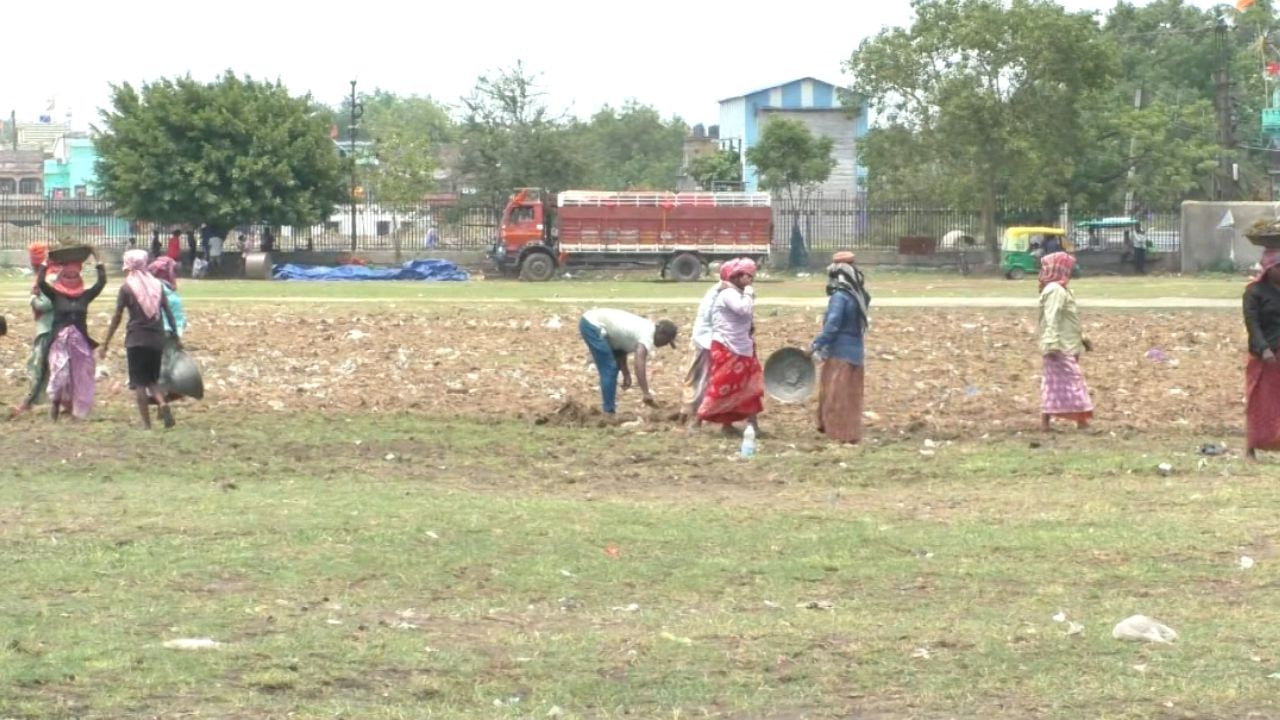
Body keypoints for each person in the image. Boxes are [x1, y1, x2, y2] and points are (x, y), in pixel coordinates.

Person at [100, 250, 179, 430]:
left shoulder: (127, 288)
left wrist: (106, 343)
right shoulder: (157, 285)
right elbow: (168, 312)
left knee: (139, 383)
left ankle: (146, 425)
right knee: (152, 379)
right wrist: (176, 335)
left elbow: (117, 317)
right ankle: (163, 404)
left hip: (136, 339)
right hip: (156, 338)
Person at [37, 250, 108, 421]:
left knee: (81, 375)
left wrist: (98, 260)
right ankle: (54, 408)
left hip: (80, 343)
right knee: (59, 375)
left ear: (80, 277)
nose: (71, 279)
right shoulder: (55, 294)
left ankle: (77, 411)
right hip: (59, 342)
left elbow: (101, 282)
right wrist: (46, 262)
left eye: (74, 275)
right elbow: (41, 282)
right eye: (67, 276)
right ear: (61, 276)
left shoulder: (86, 295)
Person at [697, 258, 764, 435]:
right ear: (736, 277)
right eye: (748, 276)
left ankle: (751, 425)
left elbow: (746, 318)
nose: (750, 280)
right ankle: (699, 419)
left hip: (743, 346)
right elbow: (744, 310)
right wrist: (749, 292)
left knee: (751, 386)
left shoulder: (738, 293)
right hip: (727, 346)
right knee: (721, 385)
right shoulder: (728, 294)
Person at [811, 251, 870, 444]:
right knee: (851, 396)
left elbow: (833, 325)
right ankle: (849, 432)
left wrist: (816, 344)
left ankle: (838, 433)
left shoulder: (840, 297)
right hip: (856, 351)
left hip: (839, 353)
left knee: (837, 396)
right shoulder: (858, 295)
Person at [578, 308, 678, 417]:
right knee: (609, 368)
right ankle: (608, 412)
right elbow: (639, 364)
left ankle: (609, 409)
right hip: (593, 324)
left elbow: (620, 349)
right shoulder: (647, 335)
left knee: (612, 367)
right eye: (666, 341)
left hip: (597, 323)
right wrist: (646, 393)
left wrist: (626, 373)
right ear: (661, 334)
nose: (665, 345)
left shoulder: (643, 330)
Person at [1038, 251, 1094, 431]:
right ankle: (1082, 422)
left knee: (1054, 384)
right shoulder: (1055, 290)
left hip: (1066, 344)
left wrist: (1082, 338)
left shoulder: (1060, 289)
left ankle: (1047, 423)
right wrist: (1052, 343)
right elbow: (1052, 317)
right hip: (1060, 347)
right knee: (1073, 382)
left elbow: (1067, 321)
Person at [1243, 248, 1280, 460]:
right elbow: (1252, 324)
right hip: (1265, 355)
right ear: (1268, 269)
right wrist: (1264, 349)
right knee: (1260, 400)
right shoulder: (1254, 292)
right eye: (1278, 267)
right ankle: (1252, 445)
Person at [11, 243, 55, 418]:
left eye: (32, 258)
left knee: (37, 367)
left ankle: (29, 403)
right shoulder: (48, 275)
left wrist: (32, 299)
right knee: (46, 367)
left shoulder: (48, 278)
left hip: (47, 329)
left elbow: (46, 304)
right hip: (48, 327)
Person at [680, 277, 722, 429]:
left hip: (702, 340)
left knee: (693, 378)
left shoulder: (714, 292)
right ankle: (695, 419)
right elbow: (711, 318)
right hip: (707, 342)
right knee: (703, 380)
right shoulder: (719, 294)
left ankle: (684, 417)